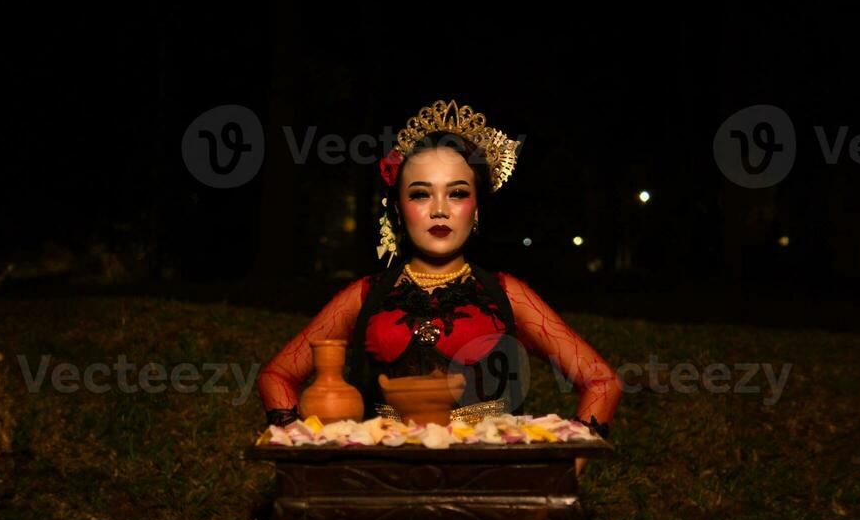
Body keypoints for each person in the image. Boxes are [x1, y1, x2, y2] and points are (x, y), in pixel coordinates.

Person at [258, 98, 620, 473]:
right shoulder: (364, 295)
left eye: (457, 193)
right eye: (420, 193)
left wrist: (560, 473)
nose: (439, 210)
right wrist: (303, 457)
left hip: (489, 486)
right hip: (383, 484)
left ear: (476, 209)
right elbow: (277, 375)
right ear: (398, 209)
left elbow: (602, 382)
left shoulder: (507, 294)